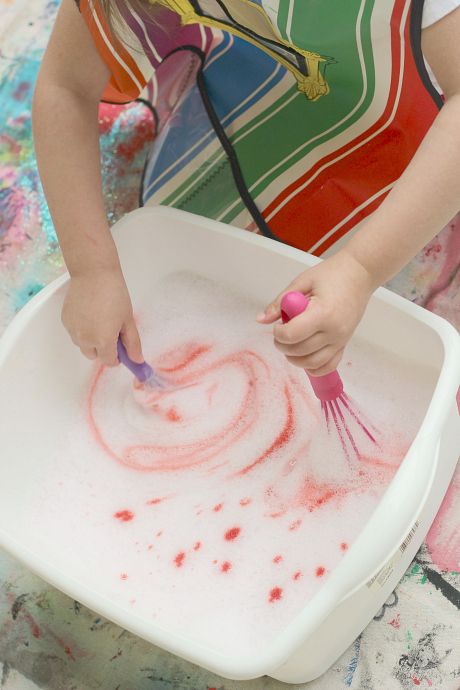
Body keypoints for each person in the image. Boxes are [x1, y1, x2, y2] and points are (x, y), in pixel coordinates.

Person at [32, 0, 460, 376]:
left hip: (412, 109)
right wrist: (92, 268)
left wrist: (362, 267)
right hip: (256, 71)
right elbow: (65, 86)